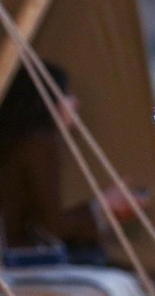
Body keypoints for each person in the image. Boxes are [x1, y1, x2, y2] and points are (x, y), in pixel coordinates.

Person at [0, 64, 147, 266]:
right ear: (47, 99)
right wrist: (103, 208)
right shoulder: (40, 143)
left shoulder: (21, 139)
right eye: (67, 95)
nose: (75, 103)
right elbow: (52, 228)